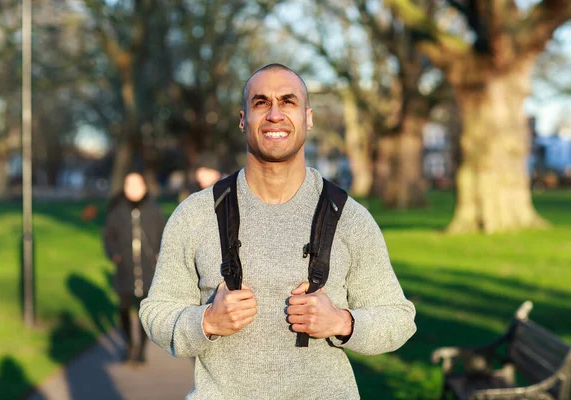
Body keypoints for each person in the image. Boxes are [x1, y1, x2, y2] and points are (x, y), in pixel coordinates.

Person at [139, 64, 416, 398]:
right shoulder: (196, 214)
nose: (274, 114)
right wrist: (206, 321)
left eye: (288, 101)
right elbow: (155, 311)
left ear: (308, 118)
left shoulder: (348, 217)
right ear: (243, 120)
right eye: (261, 103)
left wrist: (342, 323)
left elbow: (399, 318)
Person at [103, 172, 165, 364]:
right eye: (129, 184)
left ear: (144, 187)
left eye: (137, 184)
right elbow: (108, 237)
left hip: (148, 270)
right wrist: (115, 255)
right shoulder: (117, 211)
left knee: (144, 312)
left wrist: (158, 253)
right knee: (122, 308)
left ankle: (142, 350)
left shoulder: (154, 211)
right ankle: (129, 343)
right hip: (125, 270)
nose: (133, 189)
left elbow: (165, 237)